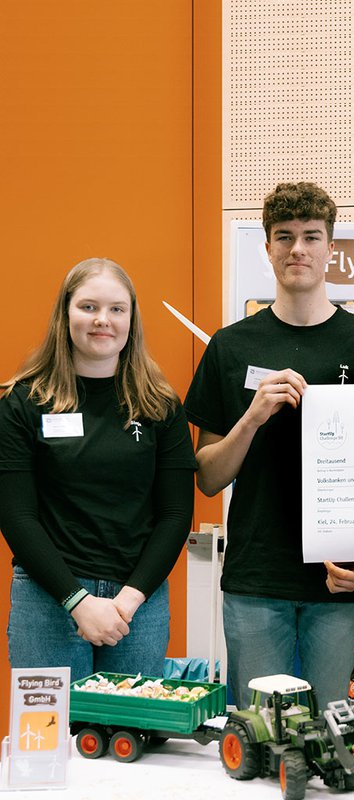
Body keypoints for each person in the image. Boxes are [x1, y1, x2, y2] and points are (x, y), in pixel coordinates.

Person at [184, 182, 354, 709]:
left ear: (332, 247)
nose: (297, 249)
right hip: (256, 576)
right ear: (267, 248)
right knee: (260, 733)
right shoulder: (230, 346)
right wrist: (253, 416)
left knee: (338, 734)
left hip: (339, 580)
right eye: (284, 237)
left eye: (311, 237)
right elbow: (209, 476)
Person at [0, 258, 196, 680]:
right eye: (88, 307)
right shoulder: (22, 401)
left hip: (137, 607)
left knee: (129, 740)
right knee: (49, 741)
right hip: (48, 600)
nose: (102, 320)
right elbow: (16, 515)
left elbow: (176, 514)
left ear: (131, 319)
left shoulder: (161, 405)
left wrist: (125, 603)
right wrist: (78, 601)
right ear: (65, 314)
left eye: (116, 309)